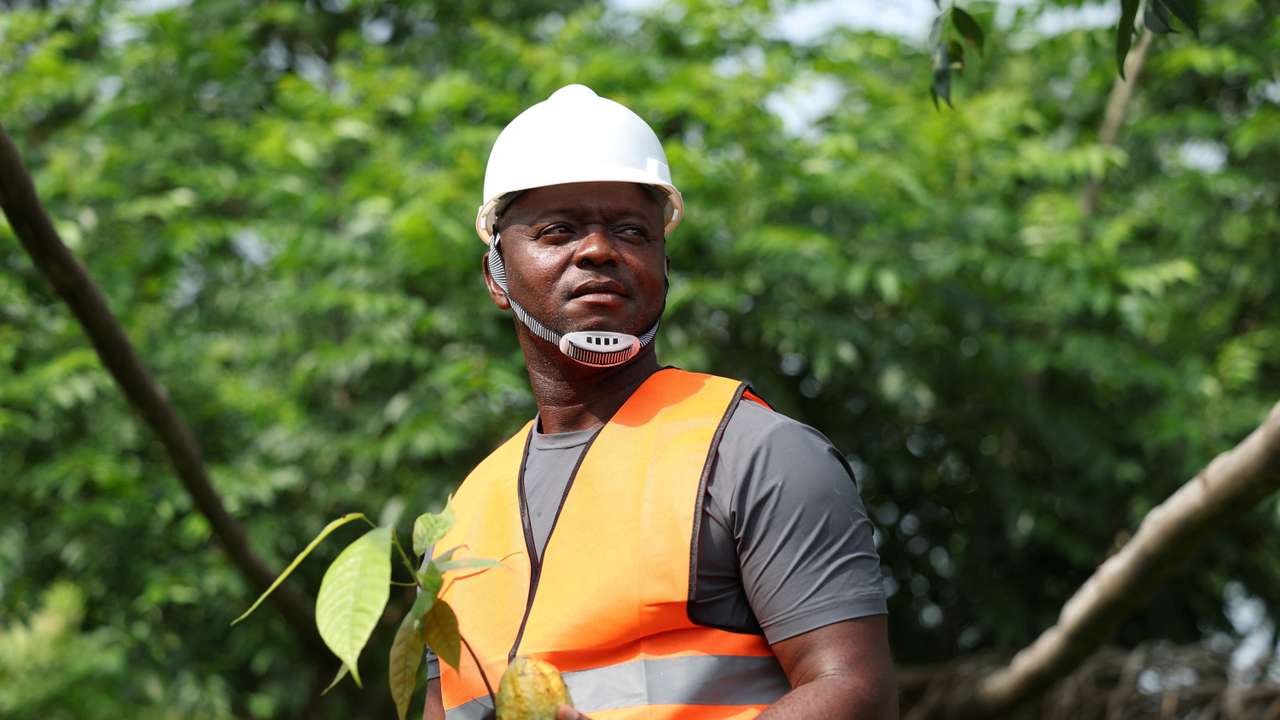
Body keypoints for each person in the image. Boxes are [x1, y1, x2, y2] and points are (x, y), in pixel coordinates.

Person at [422, 85, 895, 720]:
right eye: (558, 230)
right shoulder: (463, 518)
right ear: (497, 276)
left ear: (663, 266)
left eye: (630, 230)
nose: (597, 250)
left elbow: (856, 695)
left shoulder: (755, 454)